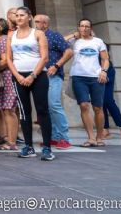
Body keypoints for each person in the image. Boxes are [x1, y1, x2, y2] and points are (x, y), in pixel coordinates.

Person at [7, 7, 54, 161]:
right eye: (17, 16)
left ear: (29, 17)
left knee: (42, 111)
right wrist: (18, 76)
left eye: (22, 15)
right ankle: (28, 146)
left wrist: (33, 75)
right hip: (19, 77)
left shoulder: (38, 34)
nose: (19, 18)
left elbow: (45, 57)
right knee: (24, 112)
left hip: (38, 76)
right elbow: (9, 59)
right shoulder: (11, 35)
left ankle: (47, 148)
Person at [66, 19, 110, 147]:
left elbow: (105, 59)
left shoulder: (98, 41)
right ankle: (91, 138)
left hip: (96, 77)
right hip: (78, 77)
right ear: (78, 27)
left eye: (87, 26)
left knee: (98, 107)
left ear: (91, 28)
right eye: (82, 26)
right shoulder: (75, 42)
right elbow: (60, 42)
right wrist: (74, 35)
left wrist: (104, 71)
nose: (84, 28)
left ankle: (99, 137)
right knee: (84, 105)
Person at [34, 14, 73, 150]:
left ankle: (64, 138)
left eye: (38, 22)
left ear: (45, 24)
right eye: (35, 21)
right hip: (39, 76)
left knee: (54, 104)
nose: (36, 24)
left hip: (53, 75)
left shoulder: (54, 36)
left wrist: (56, 66)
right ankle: (54, 137)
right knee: (46, 107)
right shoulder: (34, 36)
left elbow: (68, 52)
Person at [0, 18, 19, 151]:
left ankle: (11, 141)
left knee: (8, 109)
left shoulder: (3, 41)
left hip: (7, 77)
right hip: (2, 78)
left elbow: (6, 60)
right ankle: (3, 135)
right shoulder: (3, 40)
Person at [102, 45, 121, 140]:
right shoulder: (94, 61)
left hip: (106, 83)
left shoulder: (108, 63)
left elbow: (109, 78)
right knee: (101, 105)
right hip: (96, 84)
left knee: (109, 102)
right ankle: (105, 130)